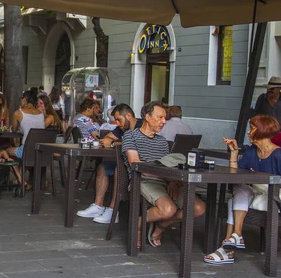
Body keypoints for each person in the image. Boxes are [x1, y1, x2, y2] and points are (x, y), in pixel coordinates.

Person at [122, 101, 205, 248]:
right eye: (160, 117)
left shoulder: (161, 141)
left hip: (165, 179)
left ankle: (161, 225)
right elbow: (135, 163)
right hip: (143, 179)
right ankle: (139, 221)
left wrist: (172, 181)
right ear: (147, 117)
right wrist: (164, 174)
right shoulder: (131, 135)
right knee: (168, 209)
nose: (164, 122)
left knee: (198, 208)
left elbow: (167, 164)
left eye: (165, 118)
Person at [203, 115, 281, 264]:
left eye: (252, 128)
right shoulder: (252, 151)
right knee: (239, 189)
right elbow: (236, 176)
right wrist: (234, 153)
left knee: (233, 202)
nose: (248, 132)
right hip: (258, 195)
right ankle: (236, 236)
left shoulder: (278, 154)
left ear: (263, 130)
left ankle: (227, 248)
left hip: (275, 198)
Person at [77, 104, 141, 224]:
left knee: (118, 168)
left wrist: (116, 143)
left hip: (136, 168)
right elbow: (107, 138)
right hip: (123, 163)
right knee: (103, 167)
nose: (116, 123)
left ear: (128, 116)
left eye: (118, 119)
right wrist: (109, 140)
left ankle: (113, 211)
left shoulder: (141, 127)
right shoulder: (123, 127)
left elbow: (137, 145)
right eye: (115, 120)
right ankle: (98, 206)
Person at [6, 91, 45, 187]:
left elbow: (14, 129)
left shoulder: (18, 113)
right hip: (41, 150)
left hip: (27, 150)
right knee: (25, 154)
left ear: (24, 99)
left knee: (6, 152)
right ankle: (19, 175)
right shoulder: (41, 113)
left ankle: (19, 179)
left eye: (21, 99)